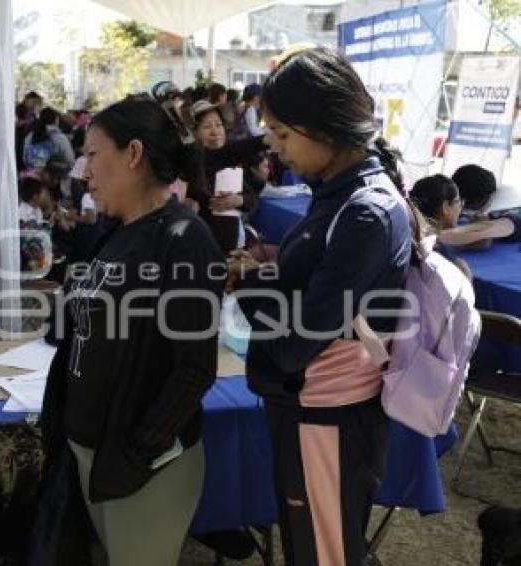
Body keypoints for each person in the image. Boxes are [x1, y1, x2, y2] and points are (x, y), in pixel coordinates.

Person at [229, 47, 411, 565]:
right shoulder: (338, 194)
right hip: (310, 411)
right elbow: (312, 294)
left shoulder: (365, 213)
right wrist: (268, 273)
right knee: (312, 542)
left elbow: (295, 343)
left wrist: (246, 284)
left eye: (283, 134)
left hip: (328, 416)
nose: (275, 147)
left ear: (324, 128)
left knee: (323, 552)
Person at [41, 98, 224, 566]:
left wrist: (137, 455)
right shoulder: (120, 231)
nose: (85, 171)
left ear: (134, 154)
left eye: (93, 155)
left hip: (140, 468)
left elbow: (194, 369)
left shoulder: (184, 239)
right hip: (94, 452)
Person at [187, 99, 268, 253]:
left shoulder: (230, 158)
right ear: (195, 132)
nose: (215, 131)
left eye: (218, 124)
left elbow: (252, 199)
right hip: (199, 244)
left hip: (231, 246)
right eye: (206, 126)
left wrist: (240, 200)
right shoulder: (191, 162)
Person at [438, 164, 521, 247]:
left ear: (478, 201)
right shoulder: (482, 192)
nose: (462, 206)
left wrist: (439, 236)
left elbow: (482, 240)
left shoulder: (505, 211)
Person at [409, 174, 472, 278]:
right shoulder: (438, 249)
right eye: (458, 201)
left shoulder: (408, 232)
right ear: (445, 207)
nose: (460, 207)